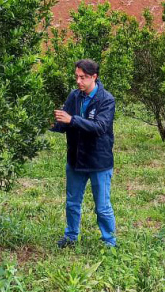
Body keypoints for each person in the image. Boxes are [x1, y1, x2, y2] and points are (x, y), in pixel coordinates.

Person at [50, 58, 117, 247]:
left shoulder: (106, 99)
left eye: (83, 77)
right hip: (76, 160)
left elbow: (100, 127)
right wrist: (50, 124)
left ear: (94, 77)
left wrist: (72, 120)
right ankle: (71, 236)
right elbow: (64, 123)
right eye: (77, 77)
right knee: (72, 202)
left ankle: (109, 242)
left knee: (102, 207)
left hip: (99, 162)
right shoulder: (74, 96)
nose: (79, 81)